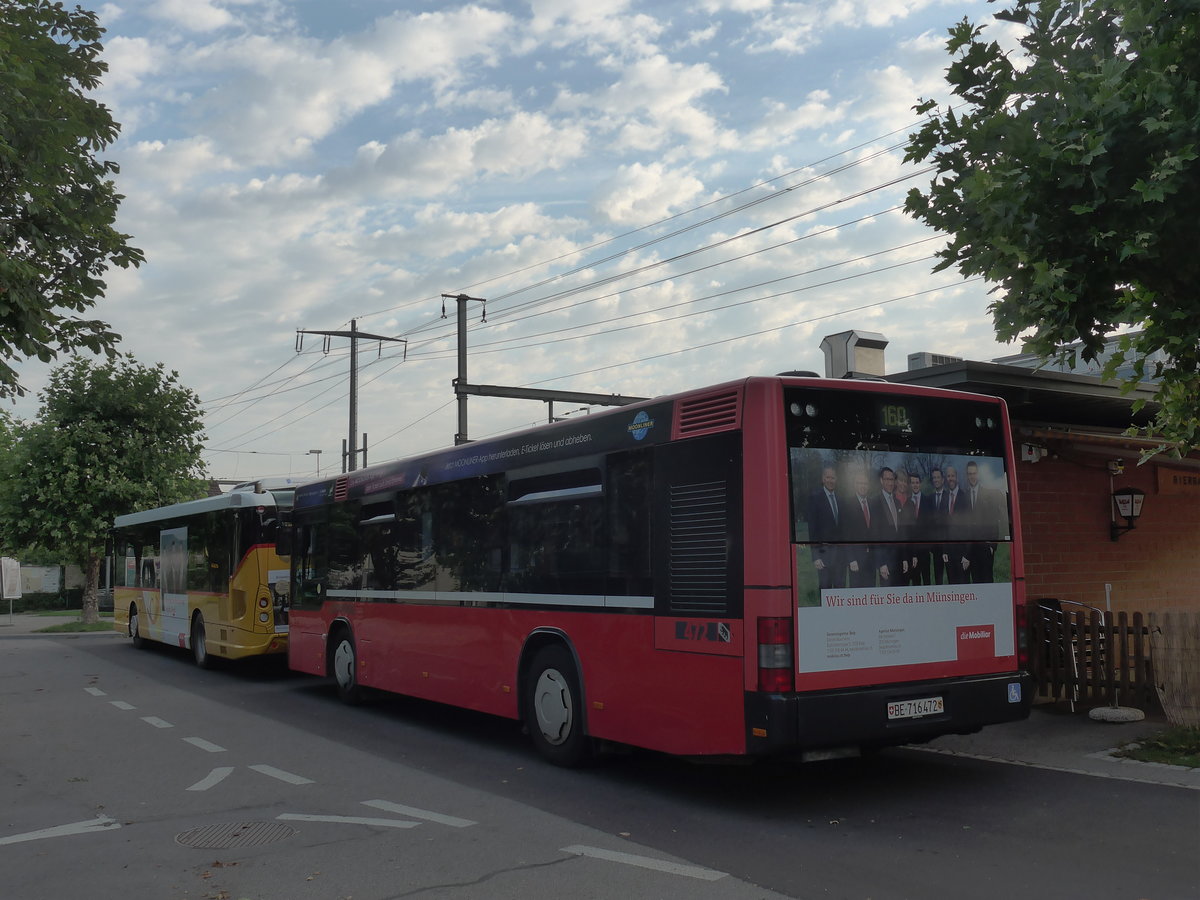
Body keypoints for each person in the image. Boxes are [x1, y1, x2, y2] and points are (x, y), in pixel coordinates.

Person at [807, 465, 844, 590]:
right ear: (823, 479)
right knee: (825, 590)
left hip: (840, 557)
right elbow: (812, 529)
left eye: (833, 478)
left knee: (840, 593)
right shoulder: (815, 498)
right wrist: (815, 556)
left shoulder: (840, 499)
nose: (830, 480)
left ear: (836, 479)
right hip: (823, 556)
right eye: (828, 477)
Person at [840, 468, 874, 587]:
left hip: (871, 559)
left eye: (865, 483)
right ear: (855, 485)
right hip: (856, 560)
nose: (862, 486)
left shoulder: (872, 503)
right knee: (857, 595)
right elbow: (845, 534)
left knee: (871, 594)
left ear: (868, 485)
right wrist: (851, 559)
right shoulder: (847, 504)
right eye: (860, 483)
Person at [869, 466, 903, 586]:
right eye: (887, 479)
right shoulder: (875, 502)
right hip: (886, 562)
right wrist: (881, 563)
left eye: (892, 479)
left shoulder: (897, 502)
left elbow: (900, 533)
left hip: (898, 559)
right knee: (888, 597)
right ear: (881, 481)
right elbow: (875, 534)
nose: (890, 483)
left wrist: (904, 558)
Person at [944, 465, 971, 583]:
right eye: (948, 476)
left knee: (964, 588)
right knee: (952, 589)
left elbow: (971, 529)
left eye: (953, 476)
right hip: (949, 555)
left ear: (957, 477)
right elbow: (942, 527)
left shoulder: (965, 497)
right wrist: (944, 550)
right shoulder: (944, 498)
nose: (950, 478)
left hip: (962, 556)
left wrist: (967, 555)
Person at [905, 471, 931, 585]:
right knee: (915, 579)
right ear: (910, 485)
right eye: (912, 483)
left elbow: (932, 525)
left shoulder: (928, 501)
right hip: (912, 550)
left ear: (920, 484)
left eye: (917, 482)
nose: (915, 485)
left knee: (926, 579)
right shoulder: (907, 502)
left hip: (925, 549)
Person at [928, 467, 949, 584]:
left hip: (949, 546)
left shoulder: (950, 496)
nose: (936, 480)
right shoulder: (929, 498)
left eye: (938, 477)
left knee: (952, 577)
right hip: (935, 548)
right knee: (938, 579)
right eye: (934, 478)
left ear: (943, 480)